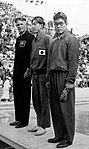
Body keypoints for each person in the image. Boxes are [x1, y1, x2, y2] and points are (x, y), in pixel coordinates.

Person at [47, 12, 79, 148]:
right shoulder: (54, 41)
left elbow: (73, 62)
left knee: (66, 108)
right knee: (55, 108)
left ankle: (68, 138)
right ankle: (59, 134)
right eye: (56, 24)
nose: (58, 26)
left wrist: (69, 82)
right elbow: (50, 61)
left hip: (64, 75)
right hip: (53, 76)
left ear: (66, 23)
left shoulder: (71, 39)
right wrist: (48, 78)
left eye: (61, 23)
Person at [27, 16, 52, 135]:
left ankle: (44, 125)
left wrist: (48, 76)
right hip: (35, 74)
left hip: (43, 74)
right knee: (36, 100)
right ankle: (39, 122)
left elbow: (50, 59)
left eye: (35, 24)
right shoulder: (34, 40)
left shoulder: (47, 39)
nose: (32, 26)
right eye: (32, 24)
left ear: (41, 25)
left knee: (44, 101)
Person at [9, 17, 34, 128]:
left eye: (21, 24)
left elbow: (31, 56)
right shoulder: (19, 39)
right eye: (17, 25)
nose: (19, 26)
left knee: (24, 96)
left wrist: (29, 70)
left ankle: (24, 121)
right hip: (17, 71)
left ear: (26, 24)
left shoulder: (30, 38)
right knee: (17, 95)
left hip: (25, 71)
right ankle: (18, 118)